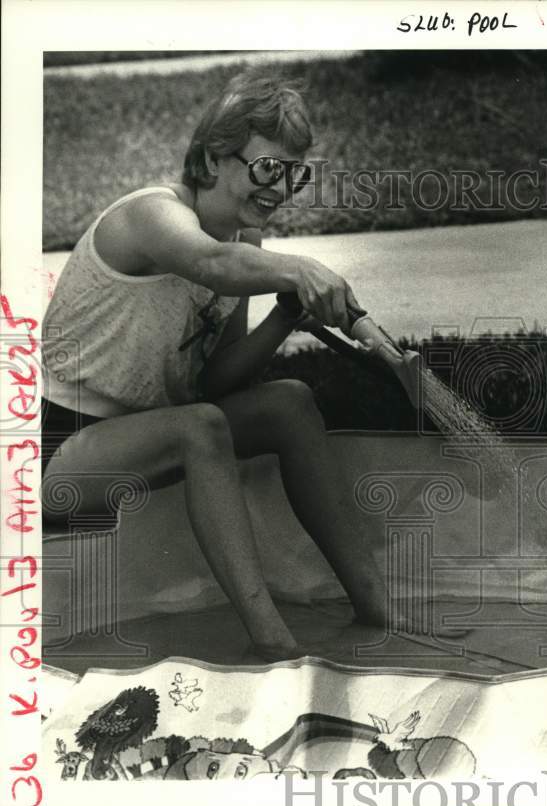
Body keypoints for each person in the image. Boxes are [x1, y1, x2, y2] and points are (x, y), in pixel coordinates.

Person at [41, 71, 390, 661]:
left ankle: (379, 610)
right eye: (266, 168)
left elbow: (213, 379)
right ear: (211, 158)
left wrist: (282, 317)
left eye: (293, 173)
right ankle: (274, 644)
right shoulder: (150, 216)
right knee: (199, 425)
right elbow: (208, 264)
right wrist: (299, 270)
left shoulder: (244, 247)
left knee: (289, 402)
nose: (280, 188)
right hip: (61, 448)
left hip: (147, 435)